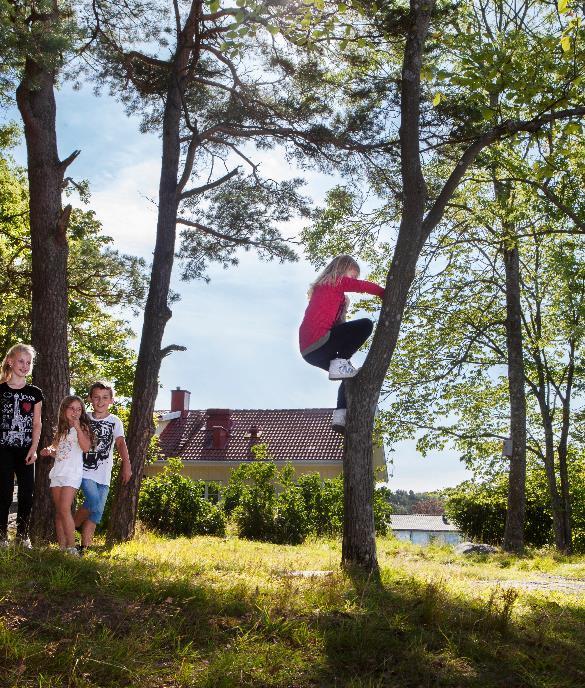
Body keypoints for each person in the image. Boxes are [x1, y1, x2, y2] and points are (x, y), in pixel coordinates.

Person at [299, 255, 385, 433]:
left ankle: (340, 415)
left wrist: (343, 309)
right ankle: (341, 362)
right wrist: (385, 293)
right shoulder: (333, 282)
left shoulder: (330, 292)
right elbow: (362, 287)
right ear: (342, 268)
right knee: (366, 325)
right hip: (318, 340)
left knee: (350, 376)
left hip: (311, 352)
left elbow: (340, 328)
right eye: (352, 276)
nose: (352, 280)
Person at [73, 381, 131, 554]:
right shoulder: (84, 418)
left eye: (105, 397)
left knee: (96, 513)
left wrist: (126, 464)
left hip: (104, 473)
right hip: (84, 470)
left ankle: (84, 549)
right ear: (90, 398)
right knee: (93, 501)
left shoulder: (115, 421)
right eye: (96, 397)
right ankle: (71, 527)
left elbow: (120, 443)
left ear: (111, 400)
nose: (100, 401)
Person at [0, 343, 43, 548]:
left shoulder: (34, 393)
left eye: (28, 362)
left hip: (26, 450)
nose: (25, 366)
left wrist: (34, 449)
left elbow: (37, 423)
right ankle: (1, 536)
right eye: (21, 361)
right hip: (3, 450)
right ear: (10, 361)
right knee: (4, 493)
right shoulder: (1, 390)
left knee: (27, 493)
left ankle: (22, 535)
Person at [40, 396, 92, 555]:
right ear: (64, 410)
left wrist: (77, 427)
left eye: (79, 409)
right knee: (59, 512)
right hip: (58, 473)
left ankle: (72, 547)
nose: (75, 412)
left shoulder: (82, 427)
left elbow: (85, 448)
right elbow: (59, 451)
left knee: (64, 508)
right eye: (72, 408)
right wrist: (49, 451)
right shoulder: (61, 429)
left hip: (72, 473)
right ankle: (62, 548)